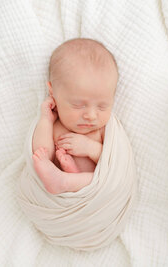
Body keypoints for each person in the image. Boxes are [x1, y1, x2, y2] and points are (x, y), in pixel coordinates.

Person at [31, 38, 118, 195]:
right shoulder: (56, 126)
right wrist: (45, 120)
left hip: (97, 194)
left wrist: (90, 148)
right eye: (78, 105)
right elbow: (42, 155)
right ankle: (68, 177)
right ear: (53, 93)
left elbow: (115, 164)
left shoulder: (103, 130)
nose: (91, 116)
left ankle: (66, 181)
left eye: (102, 106)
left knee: (105, 178)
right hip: (60, 200)